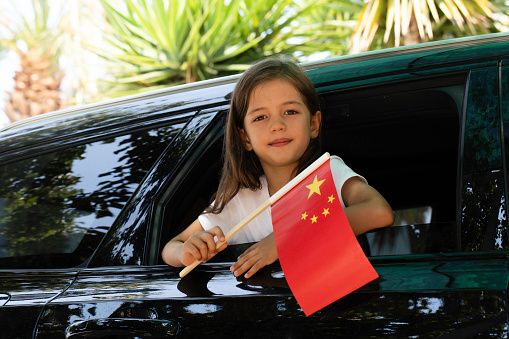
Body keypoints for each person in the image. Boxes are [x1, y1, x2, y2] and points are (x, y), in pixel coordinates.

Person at [161, 56, 394, 279]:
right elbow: (171, 247)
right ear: (245, 138)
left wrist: (286, 240)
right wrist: (187, 251)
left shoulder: (328, 172)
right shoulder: (240, 198)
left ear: (314, 123)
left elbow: (379, 212)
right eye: (260, 117)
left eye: (290, 112)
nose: (277, 125)